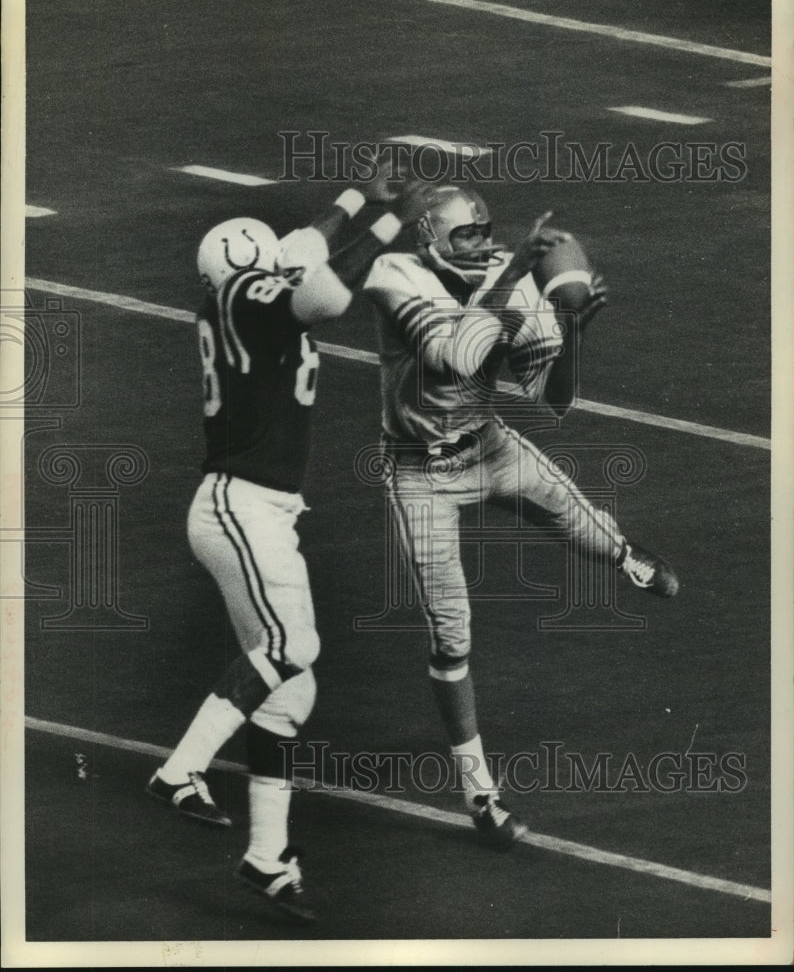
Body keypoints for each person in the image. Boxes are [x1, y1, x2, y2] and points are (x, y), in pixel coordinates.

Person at [147, 168, 429, 924]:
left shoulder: (236, 292)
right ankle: (181, 768)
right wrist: (395, 223)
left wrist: (358, 197)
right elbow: (326, 294)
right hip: (239, 503)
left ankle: (265, 857)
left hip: (259, 508)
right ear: (252, 264)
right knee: (292, 645)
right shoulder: (248, 296)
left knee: (291, 689)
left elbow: (305, 247)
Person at [361, 184, 679, 850]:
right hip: (419, 472)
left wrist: (572, 327)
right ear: (429, 239)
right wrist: (512, 280)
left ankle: (626, 556)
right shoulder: (396, 273)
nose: (479, 244)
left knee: (579, 520)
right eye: (464, 235)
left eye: (484, 232)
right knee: (452, 635)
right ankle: (480, 792)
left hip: (487, 443)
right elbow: (451, 353)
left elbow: (555, 401)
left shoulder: (506, 274)